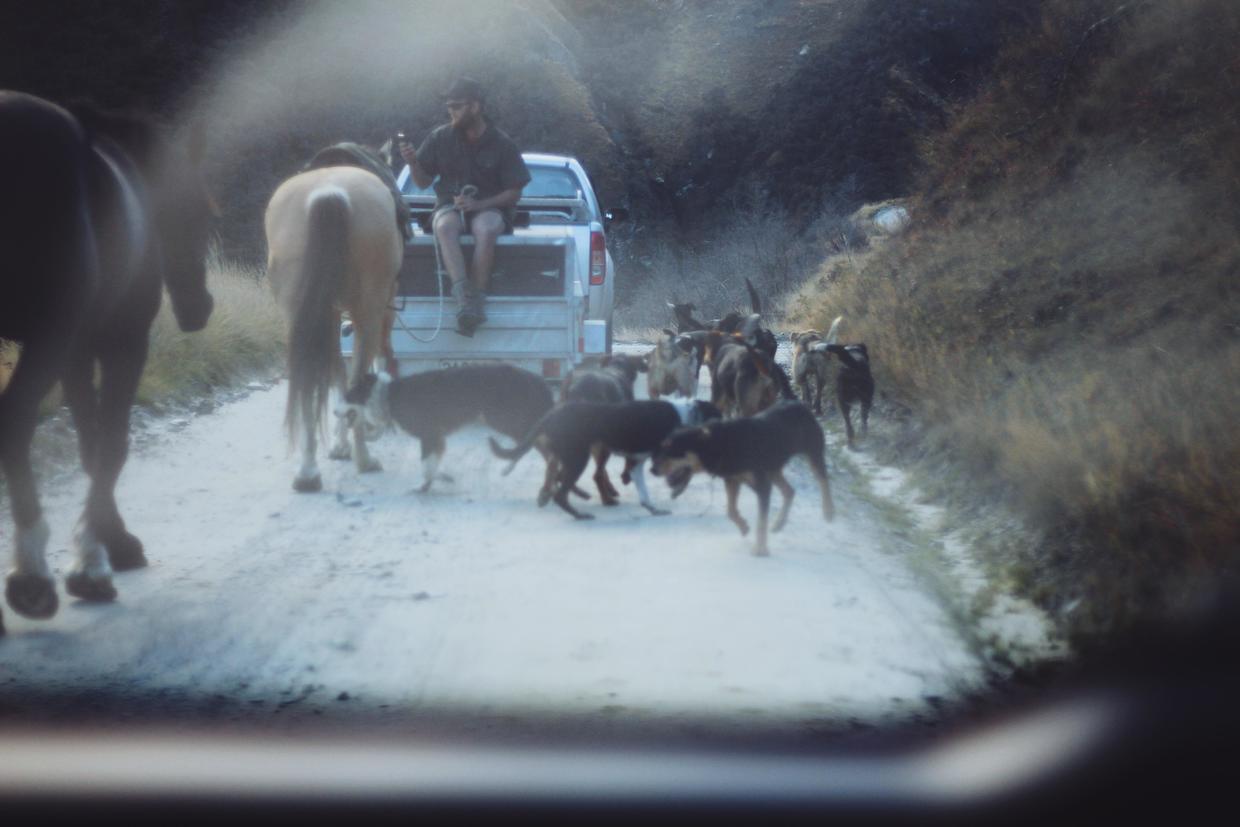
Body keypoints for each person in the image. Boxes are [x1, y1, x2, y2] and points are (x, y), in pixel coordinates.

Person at [399, 77, 531, 336]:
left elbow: (514, 193)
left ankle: (478, 298)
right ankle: (464, 301)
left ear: (476, 107)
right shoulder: (440, 137)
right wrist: (414, 162)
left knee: (487, 226)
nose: (452, 112)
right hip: (450, 206)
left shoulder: (502, 143)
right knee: (444, 225)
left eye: (458, 106)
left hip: (490, 208)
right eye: (449, 107)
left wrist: (480, 203)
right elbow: (424, 181)